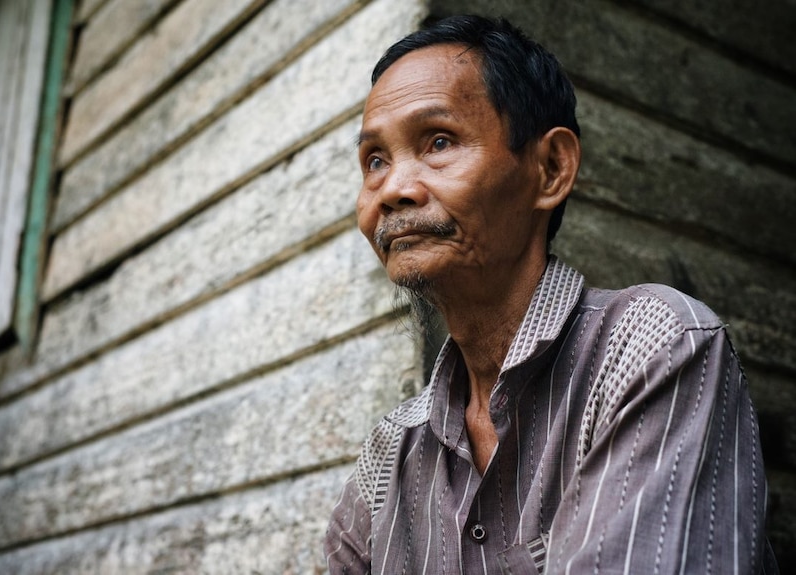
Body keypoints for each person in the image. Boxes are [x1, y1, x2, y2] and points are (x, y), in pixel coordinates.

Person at [323, 14, 776, 574]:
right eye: (375, 161)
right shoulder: (388, 457)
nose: (392, 190)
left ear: (551, 168)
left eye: (439, 141)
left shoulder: (654, 346)